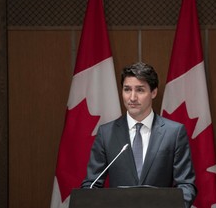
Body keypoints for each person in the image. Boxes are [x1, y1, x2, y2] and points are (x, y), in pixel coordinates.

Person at [81, 62, 197, 207]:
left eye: (140, 90)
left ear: (153, 92)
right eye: (127, 89)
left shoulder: (174, 132)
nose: (132, 98)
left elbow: (186, 186)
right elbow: (91, 185)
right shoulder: (106, 133)